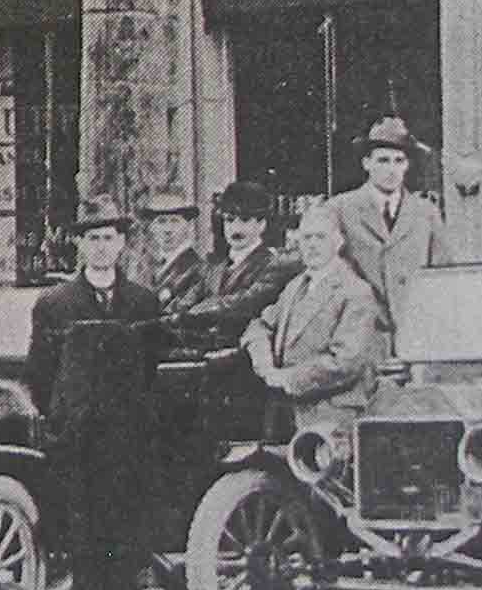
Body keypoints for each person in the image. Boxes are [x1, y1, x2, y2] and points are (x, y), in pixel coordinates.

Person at [28, 199, 163, 590]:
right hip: (79, 442)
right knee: (83, 539)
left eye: (109, 237)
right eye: (92, 238)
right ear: (79, 245)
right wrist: (63, 420)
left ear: (122, 244)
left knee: (124, 538)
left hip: (127, 440)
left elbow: (151, 369)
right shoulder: (55, 304)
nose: (101, 246)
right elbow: (40, 373)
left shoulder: (145, 303)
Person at [247, 202, 384, 435]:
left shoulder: (356, 291)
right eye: (306, 238)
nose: (311, 245)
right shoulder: (295, 286)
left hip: (332, 417)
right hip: (286, 414)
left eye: (320, 237)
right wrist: (266, 366)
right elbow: (259, 326)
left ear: (338, 241)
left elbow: (346, 362)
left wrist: (287, 379)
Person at [328, 116, 446, 348]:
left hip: (415, 335)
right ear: (366, 163)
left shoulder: (426, 212)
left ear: (407, 165)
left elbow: (442, 273)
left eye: (398, 161)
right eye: (383, 160)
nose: (391, 170)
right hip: (361, 338)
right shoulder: (340, 209)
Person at [164, 181, 297, 346]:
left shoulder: (274, 264)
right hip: (204, 351)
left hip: (244, 354)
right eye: (230, 220)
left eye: (245, 220)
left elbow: (245, 303)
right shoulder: (213, 267)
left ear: (262, 224)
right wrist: (167, 316)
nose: (236, 228)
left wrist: (185, 317)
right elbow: (185, 302)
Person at [141, 198, 210, 315]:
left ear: (187, 226)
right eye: (161, 221)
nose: (168, 230)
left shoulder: (198, 269)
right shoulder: (148, 266)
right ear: (152, 228)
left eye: (174, 221)